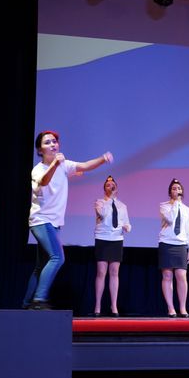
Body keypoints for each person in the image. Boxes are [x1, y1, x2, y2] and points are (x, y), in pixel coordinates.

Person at [24, 130, 113, 310]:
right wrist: (56, 164)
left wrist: (103, 159)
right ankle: (39, 300)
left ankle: (26, 303)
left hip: (54, 223)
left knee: (41, 266)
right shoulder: (38, 169)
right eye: (47, 142)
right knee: (57, 257)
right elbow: (44, 181)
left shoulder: (64, 165)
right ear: (40, 150)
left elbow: (85, 166)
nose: (53, 144)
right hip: (41, 221)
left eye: (54, 141)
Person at [92, 175, 131, 317]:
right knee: (101, 272)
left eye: (113, 185)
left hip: (116, 239)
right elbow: (102, 214)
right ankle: (97, 305)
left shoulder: (122, 206)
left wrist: (127, 227)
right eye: (108, 185)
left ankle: (114, 305)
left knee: (114, 272)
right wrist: (110, 199)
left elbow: (126, 222)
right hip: (102, 238)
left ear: (117, 188)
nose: (111, 186)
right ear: (105, 189)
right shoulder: (99, 202)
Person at [159, 178, 189, 318]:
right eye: (174, 188)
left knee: (181, 276)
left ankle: (183, 307)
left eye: (179, 188)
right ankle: (171, 308)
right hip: (166, 243)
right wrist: (175, 204)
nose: (177, 190)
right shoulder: (164, 206)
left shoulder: (187, 210)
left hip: (181, 244)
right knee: (167, 276)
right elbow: (170, 219)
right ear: (170, 192)